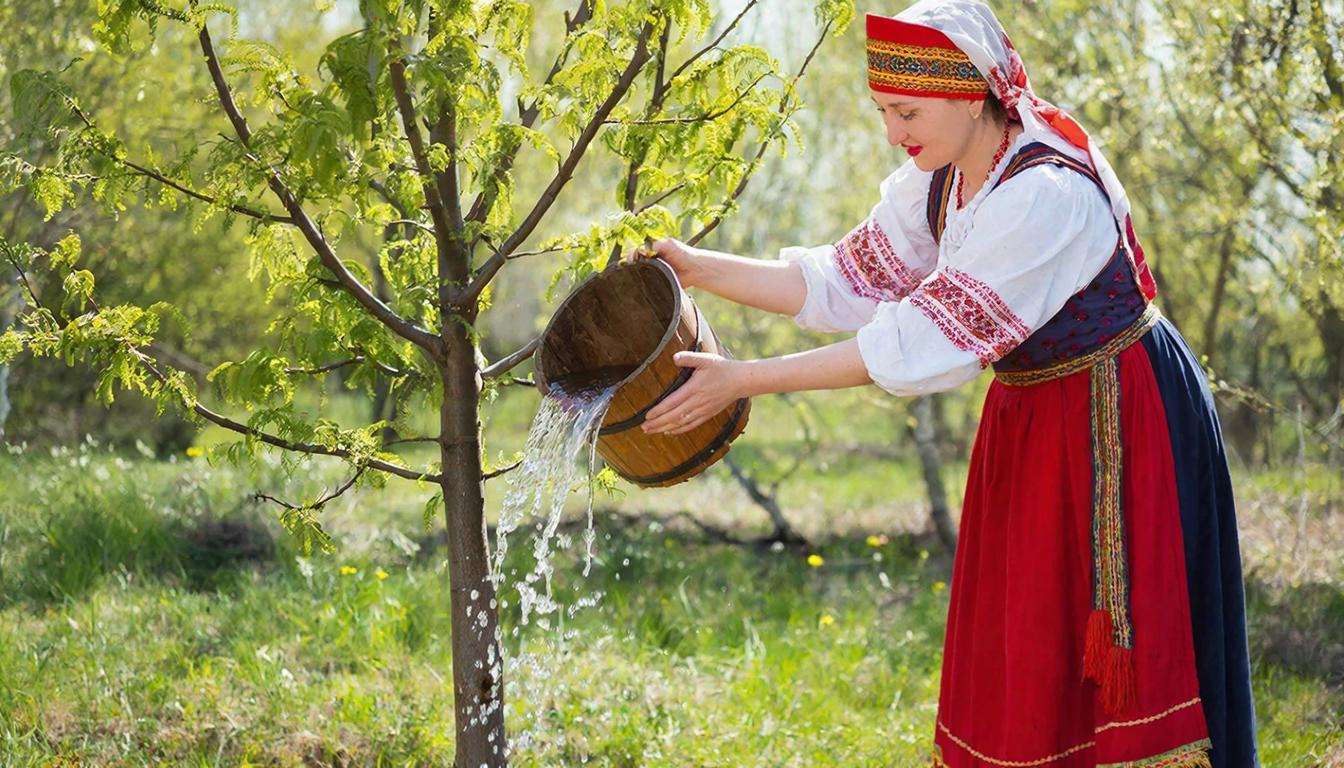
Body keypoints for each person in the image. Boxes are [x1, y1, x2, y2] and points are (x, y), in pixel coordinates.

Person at [626, 1, 1260, 765]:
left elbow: (916, 344)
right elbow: (841, 280)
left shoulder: (1043, 193)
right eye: (885, 113)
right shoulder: (943, 178)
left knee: (1114, 655)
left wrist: (744, 380)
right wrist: (701, 269)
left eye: (905, 111)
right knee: (1026, 647)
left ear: (967, 92)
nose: (893, 132)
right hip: (1031, 420)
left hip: (1118, 419)